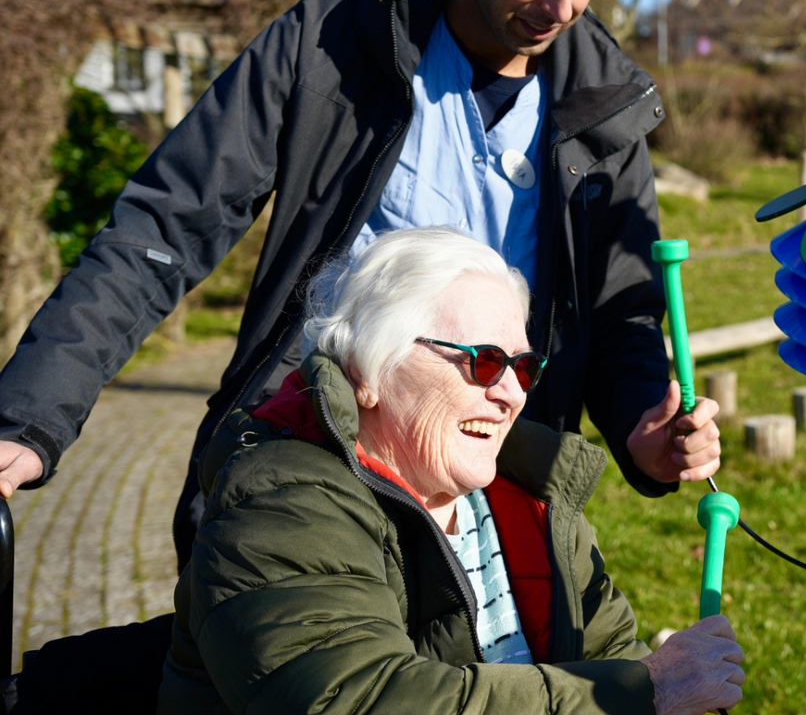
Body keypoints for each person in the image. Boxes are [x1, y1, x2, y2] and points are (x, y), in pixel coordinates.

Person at [0, 0, 718, 570]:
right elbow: (161, 229)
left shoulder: (608, 108)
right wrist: (29, 417)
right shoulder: (330, 47)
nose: (562, 5)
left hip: (499, 495)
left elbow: (622, 315)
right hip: (310, 475)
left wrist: (640, 429)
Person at [156, 227, 743, 714]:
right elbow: (357, 701)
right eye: (485, 362)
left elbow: (616, 653)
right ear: (368, 370)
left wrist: (668, 690)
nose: (512, 393)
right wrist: (650, 690)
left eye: (523, 366)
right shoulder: (278, 506)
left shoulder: (535, 498)